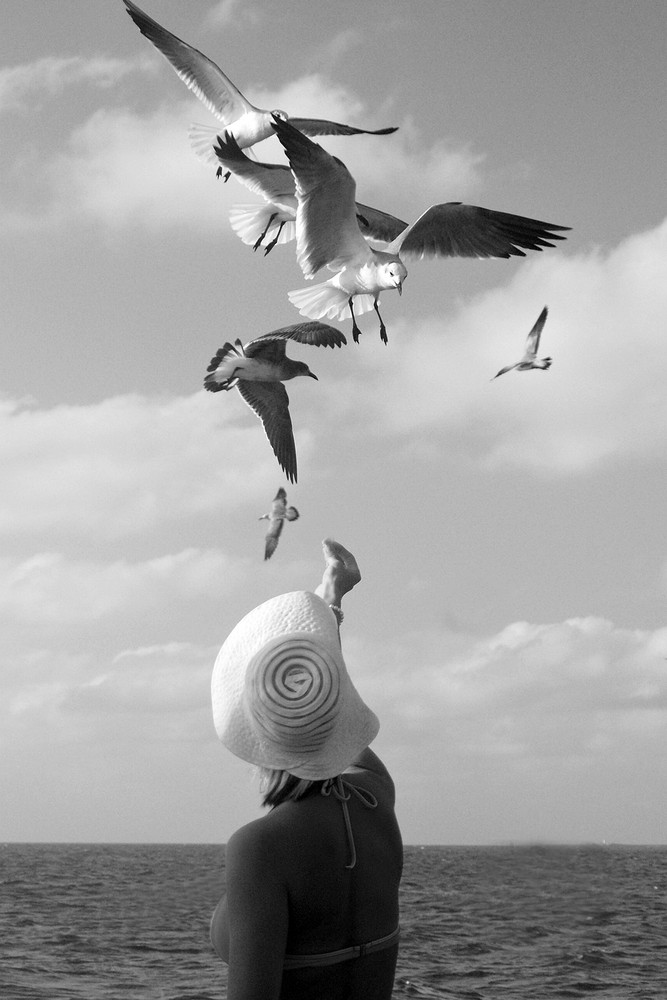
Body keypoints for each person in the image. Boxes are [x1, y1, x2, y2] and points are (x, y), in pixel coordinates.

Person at [209, 538, 403, 1000]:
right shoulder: (377, 797)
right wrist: (329, 606)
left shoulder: (261, 846)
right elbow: (330, 714)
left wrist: (331, 605)